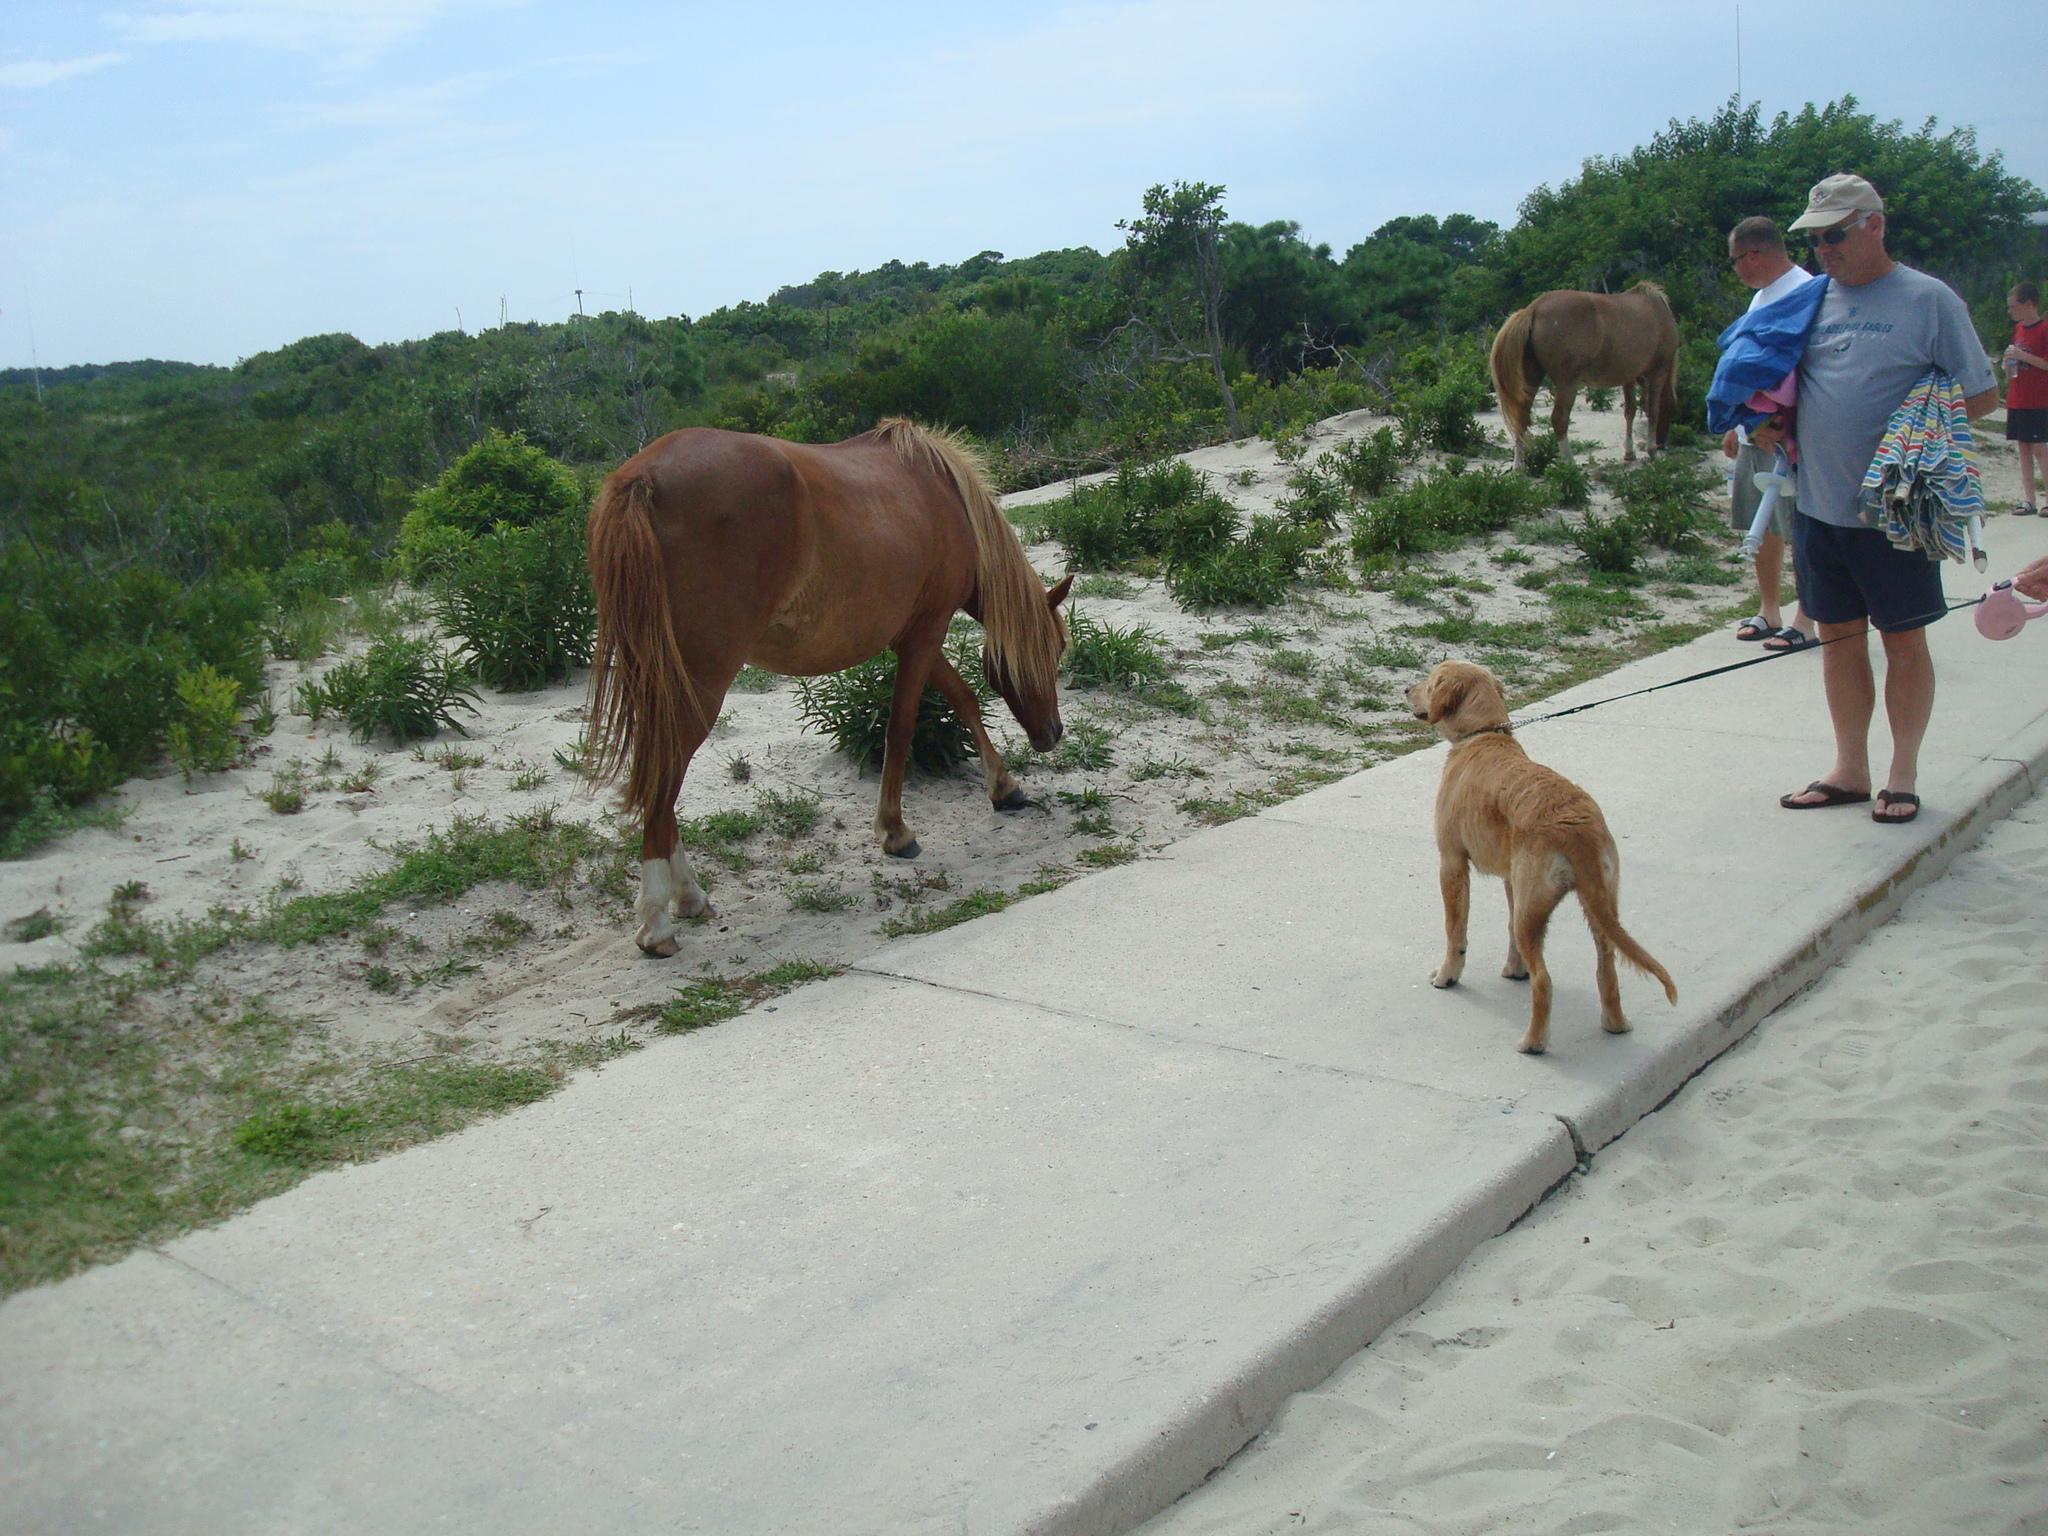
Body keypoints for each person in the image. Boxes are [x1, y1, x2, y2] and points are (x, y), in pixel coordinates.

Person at [1775, 174, 1999, 825]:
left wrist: (1923, 427)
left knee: (1902, 642)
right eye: (1814, 238)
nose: (1823, 248)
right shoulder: (1811, 301)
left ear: (1874, 224)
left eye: (1834, 234)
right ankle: (1850, 769)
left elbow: (1981, 394)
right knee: (1839, 640)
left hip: (1896, 516)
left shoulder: (1930, 301)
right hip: (1818, 509)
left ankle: (1901, 777)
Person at [1723, 216, 1818, 650]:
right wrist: (1737, 425)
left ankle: (1807, 617)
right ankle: (1768, 608)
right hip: (1755, 433)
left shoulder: (1805, 290)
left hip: (1791, 435)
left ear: (1755, 253)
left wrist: (1781, 423)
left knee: (1801, 526)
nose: (1736, 269)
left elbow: (1806, 367)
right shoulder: (1761, 297)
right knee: (1763, 524)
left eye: (1736, 260)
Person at [2003, 281, 2048, 515]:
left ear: (2029, 304)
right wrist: (2009, 361)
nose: (2011, 312)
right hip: (2017, 397)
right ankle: (2029, 500)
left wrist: (2022, 356)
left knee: (2040, 449)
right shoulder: (2019, 329)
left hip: (2038, 399)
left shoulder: (2044, 329)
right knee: (2023, 449)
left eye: (2014, 306)